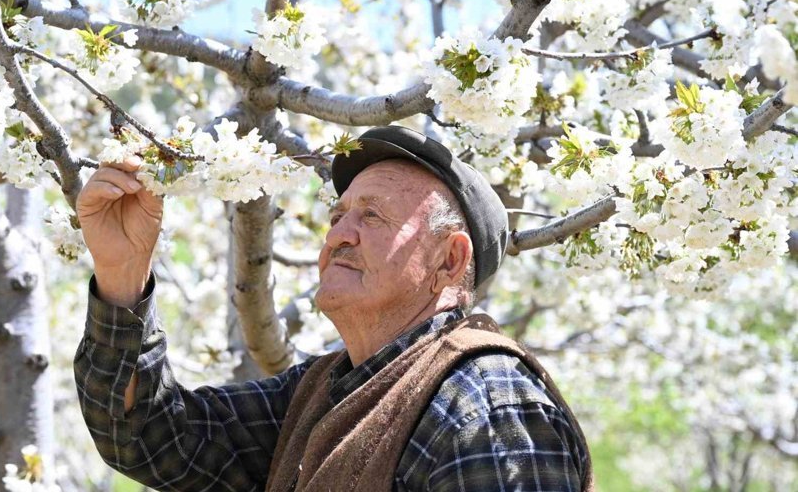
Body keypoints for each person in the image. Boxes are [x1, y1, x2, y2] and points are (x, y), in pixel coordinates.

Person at [75, 125, 593, 491]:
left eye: (372, 217)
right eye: (338, 215)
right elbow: (148, 437)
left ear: (449, 259)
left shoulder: (485, 403)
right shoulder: (320, 391)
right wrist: (123, 276)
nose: (340, 236)